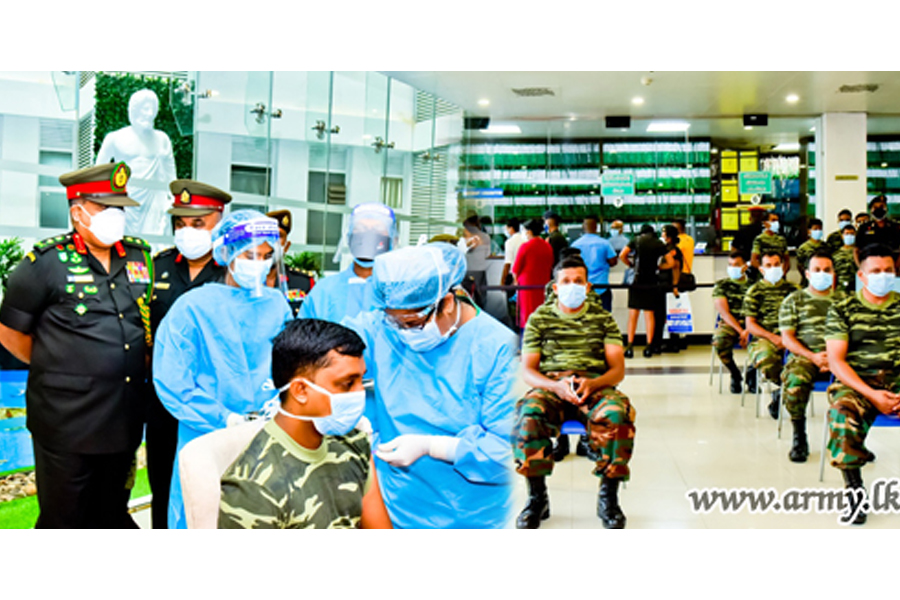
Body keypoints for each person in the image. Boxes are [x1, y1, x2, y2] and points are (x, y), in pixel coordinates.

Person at [0, 162, 151, 528]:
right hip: (67, 422)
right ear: (77, 211)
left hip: (122, 417)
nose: (116, 217)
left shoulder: (138, 256)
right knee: (64, 518)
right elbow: (9, 333)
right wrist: (57, 365)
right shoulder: (45, 263)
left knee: (112, 512)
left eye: (120, 209)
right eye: (105, 209)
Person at [344, 243, 518, 528]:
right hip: (398, 506)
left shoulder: (497, 349)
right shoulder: (386, 327)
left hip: (472, 515)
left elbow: (509, 453)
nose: (403, 333)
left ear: (448, 302)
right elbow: (329, 349)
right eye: (394, 321)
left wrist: (434, 447)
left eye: (411, 323)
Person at [153, 210, 293, 529]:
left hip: (267, 436)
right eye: (249, 254)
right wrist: (223, 417)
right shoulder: (192, 307)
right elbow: (173, 381)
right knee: (205, 517)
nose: (258, 262)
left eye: (266, 256)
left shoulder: (276, 305)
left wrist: (280, 405)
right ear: (226, 252)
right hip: (205, 434)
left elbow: (290, 366)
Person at [218, 319, 391, 529]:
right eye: (347, 384)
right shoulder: (255, 485)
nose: (359, 394)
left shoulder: (354, 443)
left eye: (360, 381)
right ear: (300, 390)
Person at [513, 255, 635, 529]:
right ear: (554, 287)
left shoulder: (602, 319)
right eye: (566, 281)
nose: (572, 286)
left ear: (588, 286)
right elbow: (529, 371)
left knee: (618, 414)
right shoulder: (539, 318)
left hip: (594, 385)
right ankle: (537, 498)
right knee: (528, 414)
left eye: (578, 281)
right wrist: (555, 385)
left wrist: (593, 384)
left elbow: (617, 370)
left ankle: (609, 498)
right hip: (551, 386)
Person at [145, 178, 230, 529]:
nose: (187, 231)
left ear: (220, 222)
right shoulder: (158, 267)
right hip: (164, 402)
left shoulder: (233, 272)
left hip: (217, 402)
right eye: (180, 223)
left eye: (198, 223)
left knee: (217, 487)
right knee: (163, 482)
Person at [823, 243, 900, 525]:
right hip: (858, 383)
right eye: (876, 271)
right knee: (841, 414)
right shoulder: (843, 309)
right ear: (862, 275)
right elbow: (836, 361)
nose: (883, 276)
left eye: (889, 270)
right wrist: (874, 395)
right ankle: (854, 490)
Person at [779, 250, 843, 463]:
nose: (822, 274)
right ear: (807, 273)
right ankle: (799, 435)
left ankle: (853, 441)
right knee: (795, 380)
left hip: (841, 357)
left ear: (834, 273)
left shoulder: (846, 300)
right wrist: (813, 357)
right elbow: (787, 338)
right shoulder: (794, 300)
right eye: (817, 270)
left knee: (862, 384)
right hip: (805, 356)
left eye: (827, 270)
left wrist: (835, 359)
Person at [95, 89, 177, 236]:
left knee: (154, 240)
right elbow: (99, 172)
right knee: (126, 240)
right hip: (127, 199)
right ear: (134, 110)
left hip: (154, 201)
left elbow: (170, 172)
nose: (149, 113)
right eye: (145, 108)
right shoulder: (115, 138)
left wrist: (174, 197)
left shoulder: (162, 139)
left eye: (152, 109)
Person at [299, 203, 396, 323]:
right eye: (361, 229)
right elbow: (303, 335)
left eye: (378, 230)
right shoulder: (325, 290)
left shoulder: (399, 291)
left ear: (394, 239)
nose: (368, 236)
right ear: (349, 237)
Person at [743, 250, 799, 420]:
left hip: (793, 337)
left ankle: (781, 395)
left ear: (783, 266)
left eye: (776, 265)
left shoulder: (794, 290)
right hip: (765, 338)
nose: (773, 268)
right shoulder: (755, 291)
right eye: (768, 265)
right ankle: (783, 390)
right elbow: (750, 324)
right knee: (767, 359)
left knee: (803, 365)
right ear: (761, 269)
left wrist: (789, 339)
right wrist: (774, 338)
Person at [620, 224, 665, 358]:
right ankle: (648, 347)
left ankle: (629, 346)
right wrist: (658, 266)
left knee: (633, 314)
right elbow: (670, 260)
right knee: (649, 314)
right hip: (651, 280)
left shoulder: (636, 240)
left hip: (636, 280)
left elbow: (623, 255)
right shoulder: (658, 243)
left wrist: (631, 265)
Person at [712, 250, 752, 393]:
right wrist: (741, 331)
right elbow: (724, 313)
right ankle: (735, 374)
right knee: (719, 341)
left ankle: (752, 373)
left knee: (768, 343)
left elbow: (760, 311)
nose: (733, 268)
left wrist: (749, 329)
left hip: (752, 324)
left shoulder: (755, 285)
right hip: (730, 324)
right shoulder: (722, 285)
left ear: (745, 266)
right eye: (730, 265)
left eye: (736, 264)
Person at [266, 209, 314, 317]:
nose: (274, 241)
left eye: (279, 236)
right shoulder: (245, 278)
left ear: (286, 246)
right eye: (269, 235)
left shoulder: (303, 282)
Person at [512, 219, 555, 332]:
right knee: (541, 313)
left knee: (527, 315)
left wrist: (515, 282)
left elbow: (516, 269)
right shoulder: (547, 246)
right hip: (543, 284)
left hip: (526, 287)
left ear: (529, 232)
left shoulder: (525, 247)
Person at [571, 214, 618, 311]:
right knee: (605, 319)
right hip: (602, 287)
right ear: (596, 227)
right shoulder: (604, 243)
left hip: (582, 288)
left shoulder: (575, 245)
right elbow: (613, 261)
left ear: (583, 227)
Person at [655, 224, 684, 353]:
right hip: (664, 284)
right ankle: (666, 342)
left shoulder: (673, 251)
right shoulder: (665, 249)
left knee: (668, 315)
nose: (661, 235)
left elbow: (676, 268)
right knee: (664, 315)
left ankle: (672, 342)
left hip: (668, 285)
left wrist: (675, 285)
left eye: (664, 233)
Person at [856, 195, 900, 266]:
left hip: (890, 266)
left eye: (882, 207)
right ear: (871, 210)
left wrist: (897, 267)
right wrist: (860, 267)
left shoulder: (895, 227)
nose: (879, 209)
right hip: (869, 266)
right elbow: (856, 250)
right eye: (875, 207)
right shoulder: (864, 228)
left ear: (886, 209)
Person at [461, 215, 492, 307]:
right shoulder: (484, 237)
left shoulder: (477, 238)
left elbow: (467, 248)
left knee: (474, 294)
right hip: (479, 269)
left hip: (474, 269)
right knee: (479, 294)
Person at [731, 205, 766, 281]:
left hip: (747, 267)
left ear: (750, 217)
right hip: (765, 267)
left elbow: (733, 251)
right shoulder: (766, 232)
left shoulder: (742, 231)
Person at [795, 218, 827, 288]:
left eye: (820, 229)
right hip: (807, 281)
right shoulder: (803, 247)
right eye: (815, 229)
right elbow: (799, 265)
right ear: (809, 231)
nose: (818, 231)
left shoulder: (826, 246)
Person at [833, 223, 858, 292]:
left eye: (852, 234)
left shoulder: (860, 253)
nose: (849, 236)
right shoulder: (836, 254)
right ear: (842, 236)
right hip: (840, 289)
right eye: (847, 234)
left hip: (856, 288)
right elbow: (833, 274)